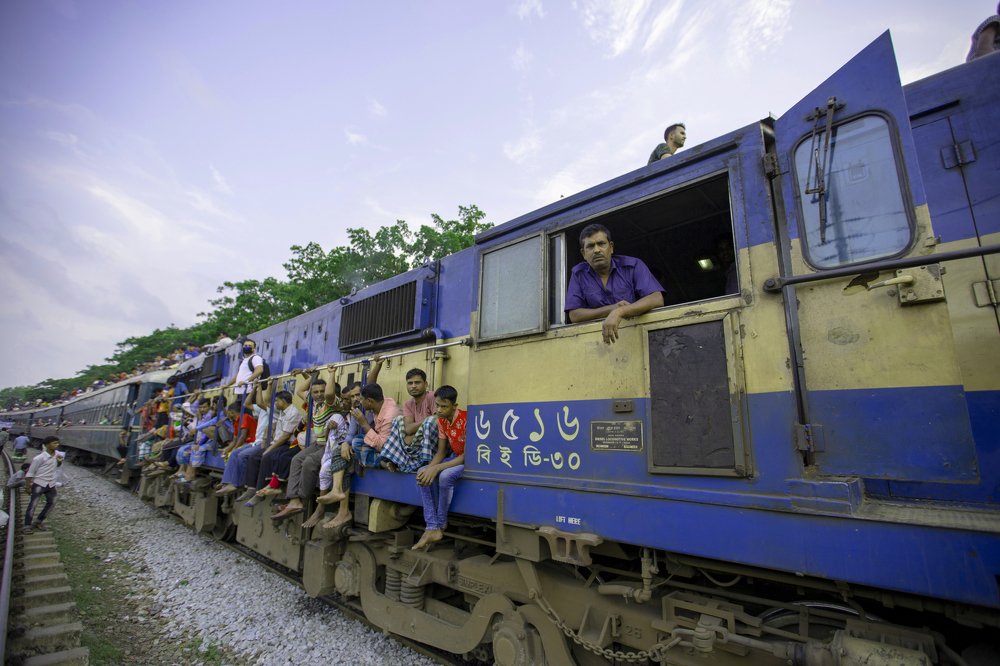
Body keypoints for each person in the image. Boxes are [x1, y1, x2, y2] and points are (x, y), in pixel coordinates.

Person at [565, 224, 665, 344]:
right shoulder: (578, 274)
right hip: (597, 344)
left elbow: (657, 298)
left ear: (611, 247)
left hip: (637, 337)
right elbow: (575, 315)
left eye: (601, 244)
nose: (597, 250)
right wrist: (611, 309)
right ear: (583, 253)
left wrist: (620, 312)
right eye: (590, 246)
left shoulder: (632, 265)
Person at [271, 372, 341, 520]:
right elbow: (299, 391)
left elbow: (329, 393)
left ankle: (303, 499)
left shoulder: (331, 402)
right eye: (315, 392)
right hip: (318, 443)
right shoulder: (313, 402)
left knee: (309, 462)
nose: (319, 394)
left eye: (322, 391)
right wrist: (312, 376)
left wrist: (332, 373)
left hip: (330, 445)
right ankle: (293, 500)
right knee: (296, 460)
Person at [413, 386, 467, 550]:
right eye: (437, 405)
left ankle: (440, 523)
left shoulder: (466, 419)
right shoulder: (441, 420)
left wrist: (437, 469)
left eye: (444, 406)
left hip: (469, 461)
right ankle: (432, 527)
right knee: (422, 472)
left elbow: (466, 456)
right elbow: (441, 451)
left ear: (454, 406)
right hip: (454, 458)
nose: (439, 410)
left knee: (444, 476)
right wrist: (430, 468)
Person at [248, 390, 303, 503]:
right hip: (278, 442)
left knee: (267, 456)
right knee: (253, 457)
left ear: (283, 401)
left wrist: (269, 449)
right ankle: (251, 487)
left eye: (277, 401)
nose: (275, 403)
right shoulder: (282, 412)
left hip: (287, 443)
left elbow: (285, 437)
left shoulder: (293, 413)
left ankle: (261, 491)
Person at [24, 436, 61, 534]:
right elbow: (30, 473)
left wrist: (59, 462)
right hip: (39, 483)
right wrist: (28, 486)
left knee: (52, 502)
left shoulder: (57, 455)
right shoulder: (39, 458)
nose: (57, 445)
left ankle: (39, 521)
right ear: (47, 445)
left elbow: (57, 466)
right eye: (54, 443)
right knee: (33, 504)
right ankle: (27, 525)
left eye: (57, 443)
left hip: (51, 484)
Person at [229, 339, 265, 407]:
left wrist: (246, 381)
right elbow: (238, 375)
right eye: (245, 345)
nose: (247, 347)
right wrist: (227, 385)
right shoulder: (244, 360)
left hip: (249, 392)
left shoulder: (255, 358)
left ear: (254, 349)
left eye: (249, 346)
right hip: (240, 392)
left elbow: (259, 370)